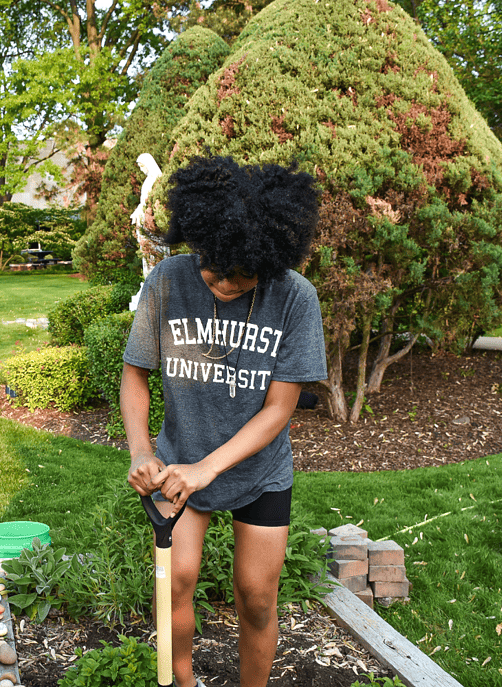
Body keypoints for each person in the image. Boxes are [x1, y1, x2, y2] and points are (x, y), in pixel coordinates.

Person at [122, 155, 327, 687]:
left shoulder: (295, 299)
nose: (227, 284)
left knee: (256, 597)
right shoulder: (168, 282)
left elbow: (280, 409)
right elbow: (135, 377)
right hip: (177, 464)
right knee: (175, 581)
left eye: (244, 274)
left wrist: (208, 469)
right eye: (216, 269)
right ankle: (183, 681)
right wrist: (142, 451)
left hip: (258, 473)